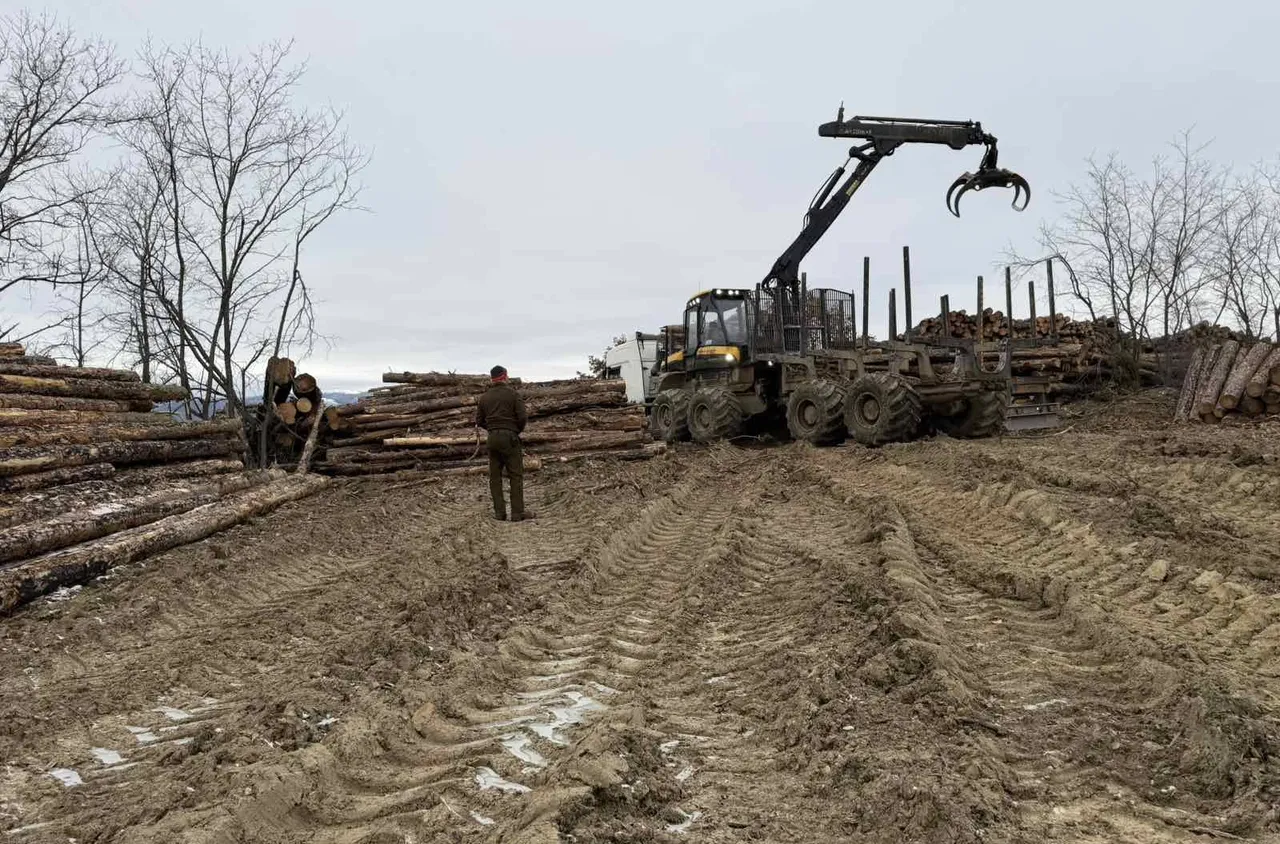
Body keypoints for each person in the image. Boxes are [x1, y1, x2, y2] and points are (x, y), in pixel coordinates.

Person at [475, 365, 533, 521]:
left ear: (492, 379)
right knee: (515, 474)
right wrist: (515, 431)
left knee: (495, 476)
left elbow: (479, 421)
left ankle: (499, 513)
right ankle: (517, 513)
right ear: (505, 377)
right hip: (510, 437)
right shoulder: (513, 395)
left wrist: (493, 429)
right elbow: (522, 418)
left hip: (492, 438)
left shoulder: (484, 397)